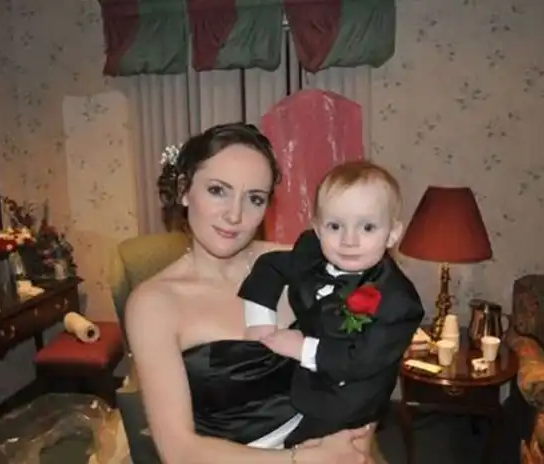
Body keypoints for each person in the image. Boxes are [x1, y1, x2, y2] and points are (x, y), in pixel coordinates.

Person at [124, 123, 373, 464]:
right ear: (184, 190)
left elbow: (367, 358)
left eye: (254, 198)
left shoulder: (299, 264)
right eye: (218, 190)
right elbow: (179, 451)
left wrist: (353, 441)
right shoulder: (154, 305)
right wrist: (302, 461)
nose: (235, 215)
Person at [238, 161, 425, 447]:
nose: (349, 240)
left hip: (347, 402)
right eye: (335, 226)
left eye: (367, 227)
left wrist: (303, 348)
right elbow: (270, 266)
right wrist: (260, 321)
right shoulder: (310, 253)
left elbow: (362, 361)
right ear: (317, 228)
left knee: (299, 450)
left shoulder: (400, 302)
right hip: (299, 379)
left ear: (392, 234)